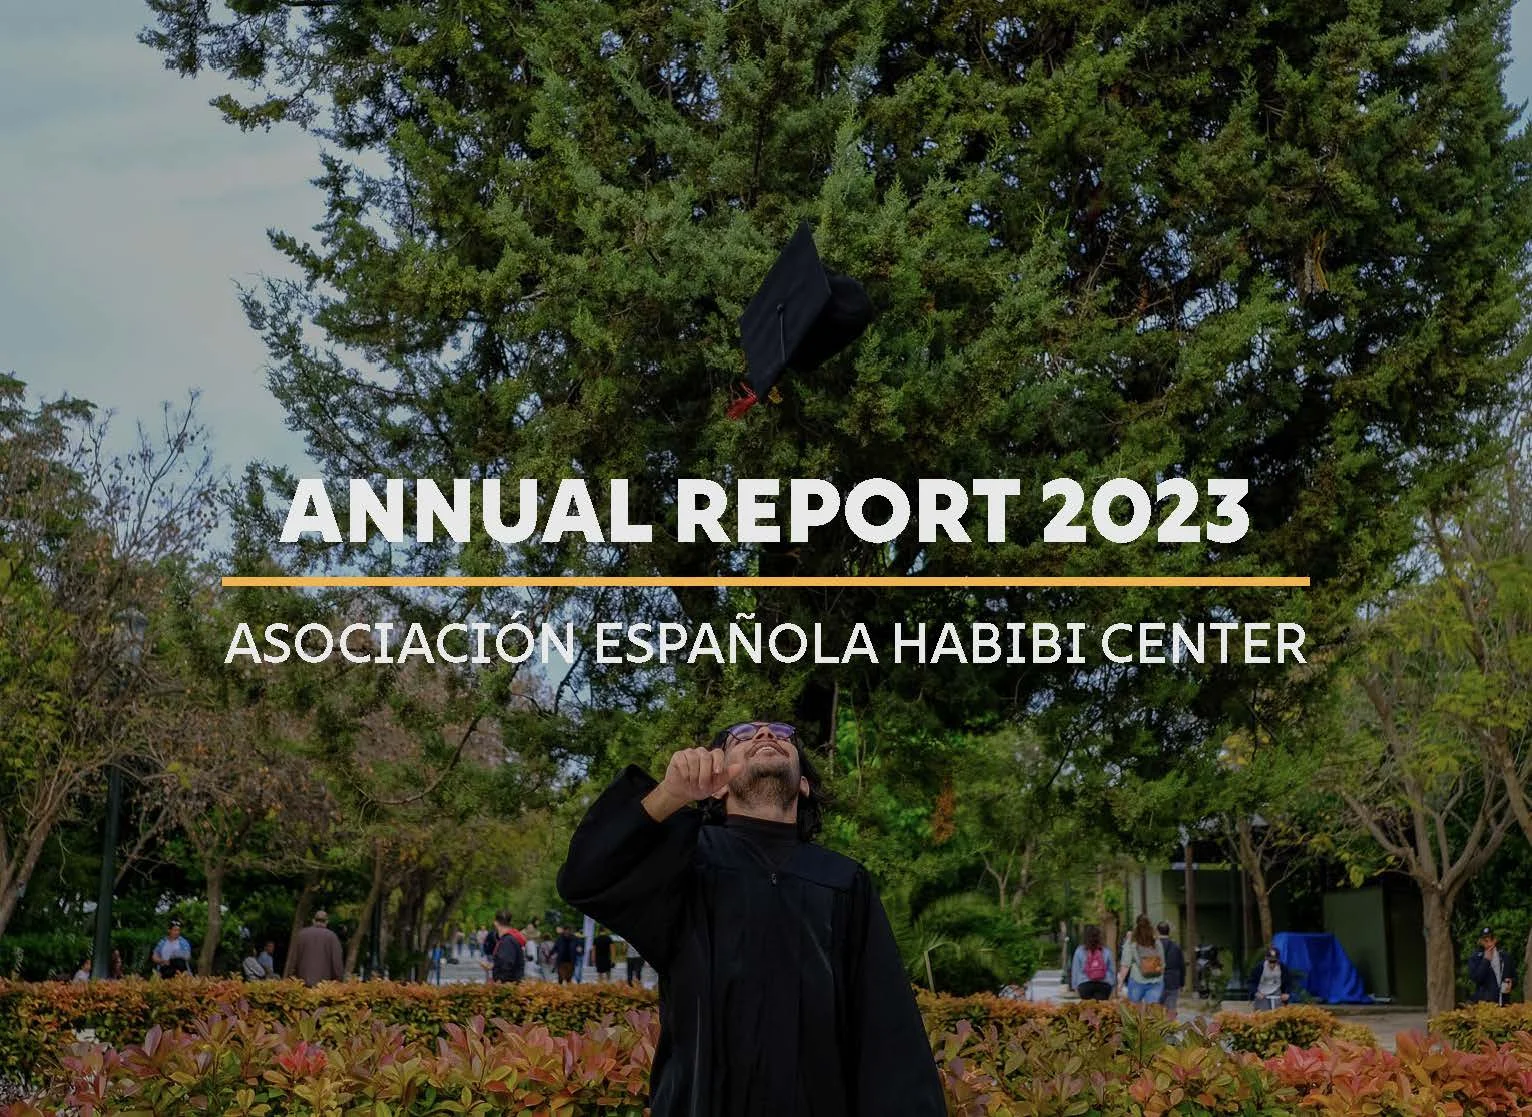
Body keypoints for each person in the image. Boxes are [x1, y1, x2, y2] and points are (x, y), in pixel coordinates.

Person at [558, 719, 945, 1117]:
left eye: (782, 735)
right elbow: (585, 878)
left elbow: (885, 1026)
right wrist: (669, 795)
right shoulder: (683, 864)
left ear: (804, 784)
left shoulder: (843, 881)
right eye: (743, 735)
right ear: (720, 783)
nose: (766, 735)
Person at [1117, 915, 1166, 1004]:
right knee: (1151, 1012)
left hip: (1137, 980)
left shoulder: (1132, 941)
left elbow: (1125, 964)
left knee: (1134, 1011)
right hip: (1156, 981)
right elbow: (1162, 963)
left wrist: (1120, 983)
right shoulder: (1156, 941)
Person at [288, 910, 345, 986]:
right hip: (324, 986)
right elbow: (337, 962)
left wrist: (291, 978)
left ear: (313, 921)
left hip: (302, 984)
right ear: (327, 922)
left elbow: (294, 960)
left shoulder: (301, 935)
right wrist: (339, 980)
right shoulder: (332, 937)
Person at [1467, 926, 1517, 1005]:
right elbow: (1476, 978)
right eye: (1485, 940)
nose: (1488, 942)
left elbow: (1514, 977)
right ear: (1480, 941)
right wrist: (1485, 961)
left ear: (1495, 940)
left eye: (1491, 938)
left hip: (1504, 1002)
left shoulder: (1505, 957)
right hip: (1485, 1005)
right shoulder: (1475, 957)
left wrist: (1512, 982)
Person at [1070, 924, 1115, 1001]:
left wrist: (1074, 987)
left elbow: (1075, 970)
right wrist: (1113, 985)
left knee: (1088, 1010)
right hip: (1104, 984)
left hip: (1084, 984)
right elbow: (1112, 970)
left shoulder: (1080, 951)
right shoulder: (1106, 951)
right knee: (1101, 1010)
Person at [1248, 945, 1292, 1010]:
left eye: (1274, 962)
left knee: (1279, 1013)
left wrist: (1287, 993)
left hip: (1277, 993)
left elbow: (1288, 982)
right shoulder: (1259, 967)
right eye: (1270, 962)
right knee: (1262, 1014)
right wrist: (1256, 992)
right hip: (1262, 993)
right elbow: (1251, 982)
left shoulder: (1283, 968)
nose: (1272, 964)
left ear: (1278, 960)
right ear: (1266, 958)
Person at [1156, 921, 1186, 1015]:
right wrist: (1182, 983)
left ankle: (1157, 1027)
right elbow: (1181, 966)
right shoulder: (1176, 946)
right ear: (1169, 931)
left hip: (1157, 980)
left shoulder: (1154, 946)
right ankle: (1170, 1028)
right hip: (1173, 980)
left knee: (1156, 1007)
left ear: (1157, 931)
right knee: (1172, 1007)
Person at [489, 910, 526, 982]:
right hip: (513, 983)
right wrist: (493, 966)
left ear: (496, 923)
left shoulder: (507, 941)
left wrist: (499, 981)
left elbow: (506, 964)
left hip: (508, 986)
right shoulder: (512, 937)